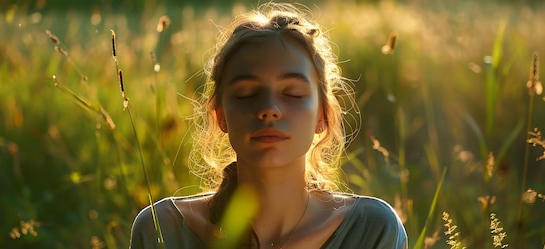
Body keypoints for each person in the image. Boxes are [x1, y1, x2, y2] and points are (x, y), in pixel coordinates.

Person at [130, 3, 407, 248]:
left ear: (322, 116)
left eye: (293, 94)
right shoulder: (162, 231)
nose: (269, 110)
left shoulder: (372, 231)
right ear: (220, 116)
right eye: (247, 94)